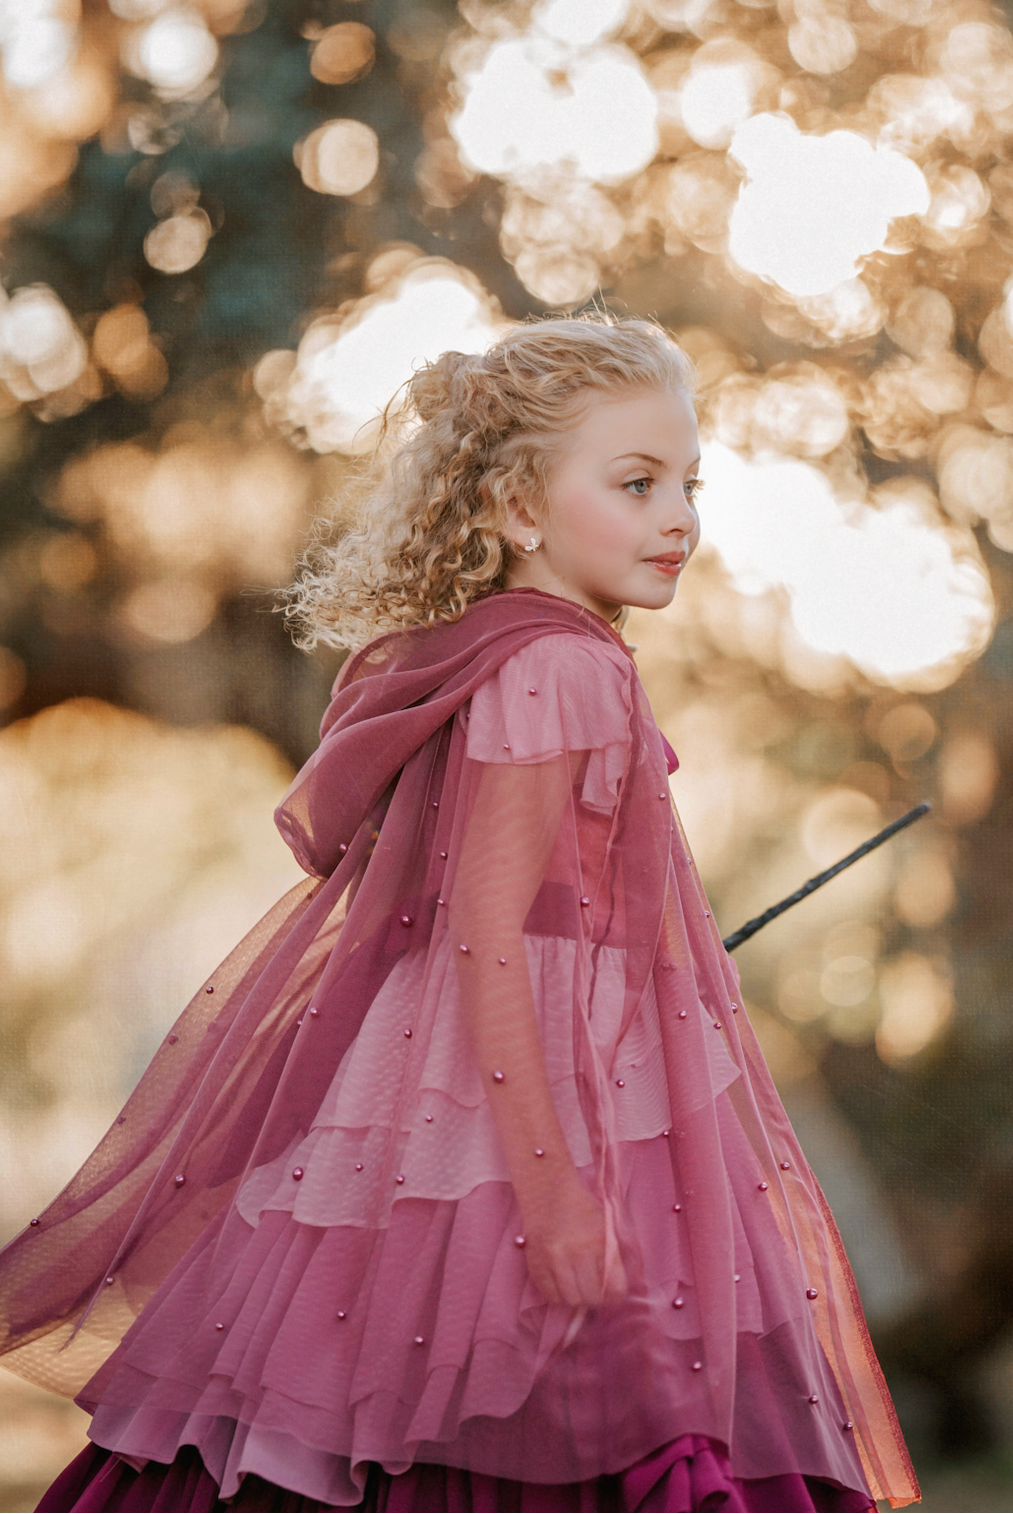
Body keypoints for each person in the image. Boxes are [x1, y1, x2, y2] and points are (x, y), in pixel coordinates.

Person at [0, 316, 918, 1513]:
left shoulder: (476, 658)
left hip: (431, 1096)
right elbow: (487, 934)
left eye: (689, 483)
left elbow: (490, 917)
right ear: (517, 510)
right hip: (528, 1106)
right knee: (593, 1403)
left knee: (370, 1402)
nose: (679, 517)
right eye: (636, 484)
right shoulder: (565, 666)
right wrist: (550, 1198)